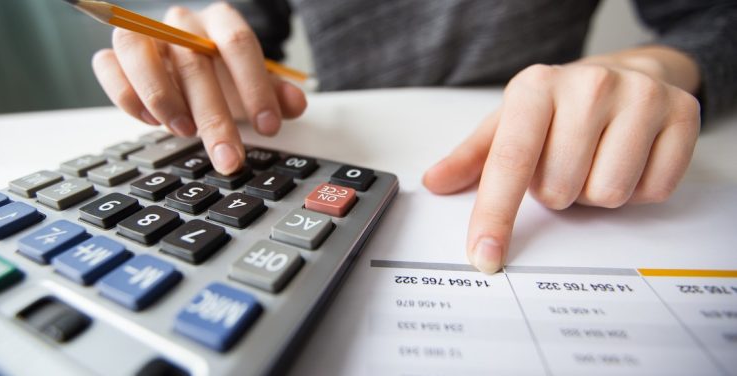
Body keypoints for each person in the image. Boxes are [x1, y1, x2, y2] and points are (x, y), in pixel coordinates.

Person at [90, 1, 736, 273]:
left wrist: (652, 69)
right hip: (335, 147)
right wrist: (210, 57)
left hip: (551, 144)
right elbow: (246, 25)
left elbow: (713, 18)